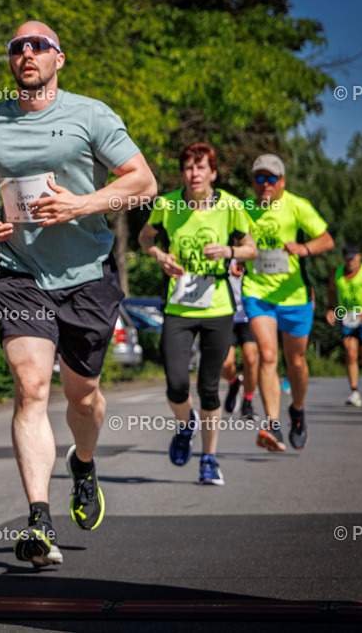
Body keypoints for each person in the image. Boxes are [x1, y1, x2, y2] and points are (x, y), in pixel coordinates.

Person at [0, 21, 156, 566]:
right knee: (30, 388)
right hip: (20, 272)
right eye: (17, 47)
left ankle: (85, 462)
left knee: (84, 397)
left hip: (87, 274)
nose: (26, 53)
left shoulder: (91, 115)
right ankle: (38, 522)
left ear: (59, 58)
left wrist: (82, 204)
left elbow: (141, 182)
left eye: (38, 46)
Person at [138, 143, 257, 485]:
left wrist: (230, 250)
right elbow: (146, 237)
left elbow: (252, 249)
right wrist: (159, 255)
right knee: (176, 384)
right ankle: (185, 424)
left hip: (218, 306)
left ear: (213, 173)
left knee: (209, 388)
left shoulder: (231, 206)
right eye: (189, 168)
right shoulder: (167, 204)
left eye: (201, 168)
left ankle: (209, 458)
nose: (194, 174)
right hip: (179, 306)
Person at [242, 154, 334, 452]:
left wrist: (304, 248)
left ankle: (297, 409)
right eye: (259, 178)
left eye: (271, 178)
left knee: (295, 361)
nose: (265, 184)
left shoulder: (297, 206)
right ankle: (272, 424)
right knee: (268, 356)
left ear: (282, 182)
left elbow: (327, 239)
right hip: (257, 292)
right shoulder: (242, 209)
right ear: (253, 182)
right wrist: (235, 258)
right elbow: (233, 241)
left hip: (295, 296)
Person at [326, 244, 362, 407]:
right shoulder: (337, 273)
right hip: (347, 317)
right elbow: (331, 290)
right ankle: (354, 391)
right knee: (350, 353)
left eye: (353, 257)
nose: (350, 261)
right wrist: (330, 308)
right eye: (347, 258)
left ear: (359, 257)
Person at [221, 260, 259, 420]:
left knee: (250, 359)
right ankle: (233, 382)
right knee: (225, 363)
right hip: (228, 316)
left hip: (250, 316)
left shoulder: (254, 256)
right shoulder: (224, 255)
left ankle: (248, 402)